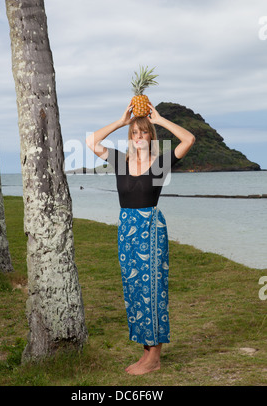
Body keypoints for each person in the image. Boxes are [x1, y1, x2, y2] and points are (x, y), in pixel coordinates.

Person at [86, 101, 195, 375]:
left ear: (151, 136)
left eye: (144, 133)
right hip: (126, 230)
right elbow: (91, 140)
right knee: (134, 291)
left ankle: (154, 357)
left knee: (153, 291)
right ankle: (145, 351)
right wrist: (121, 121)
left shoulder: (160, 164)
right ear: (130, 137)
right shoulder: (120, 161)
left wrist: (159, 119)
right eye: (134, 133)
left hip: (151, 230)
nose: (139, 138)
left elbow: (189, 139)